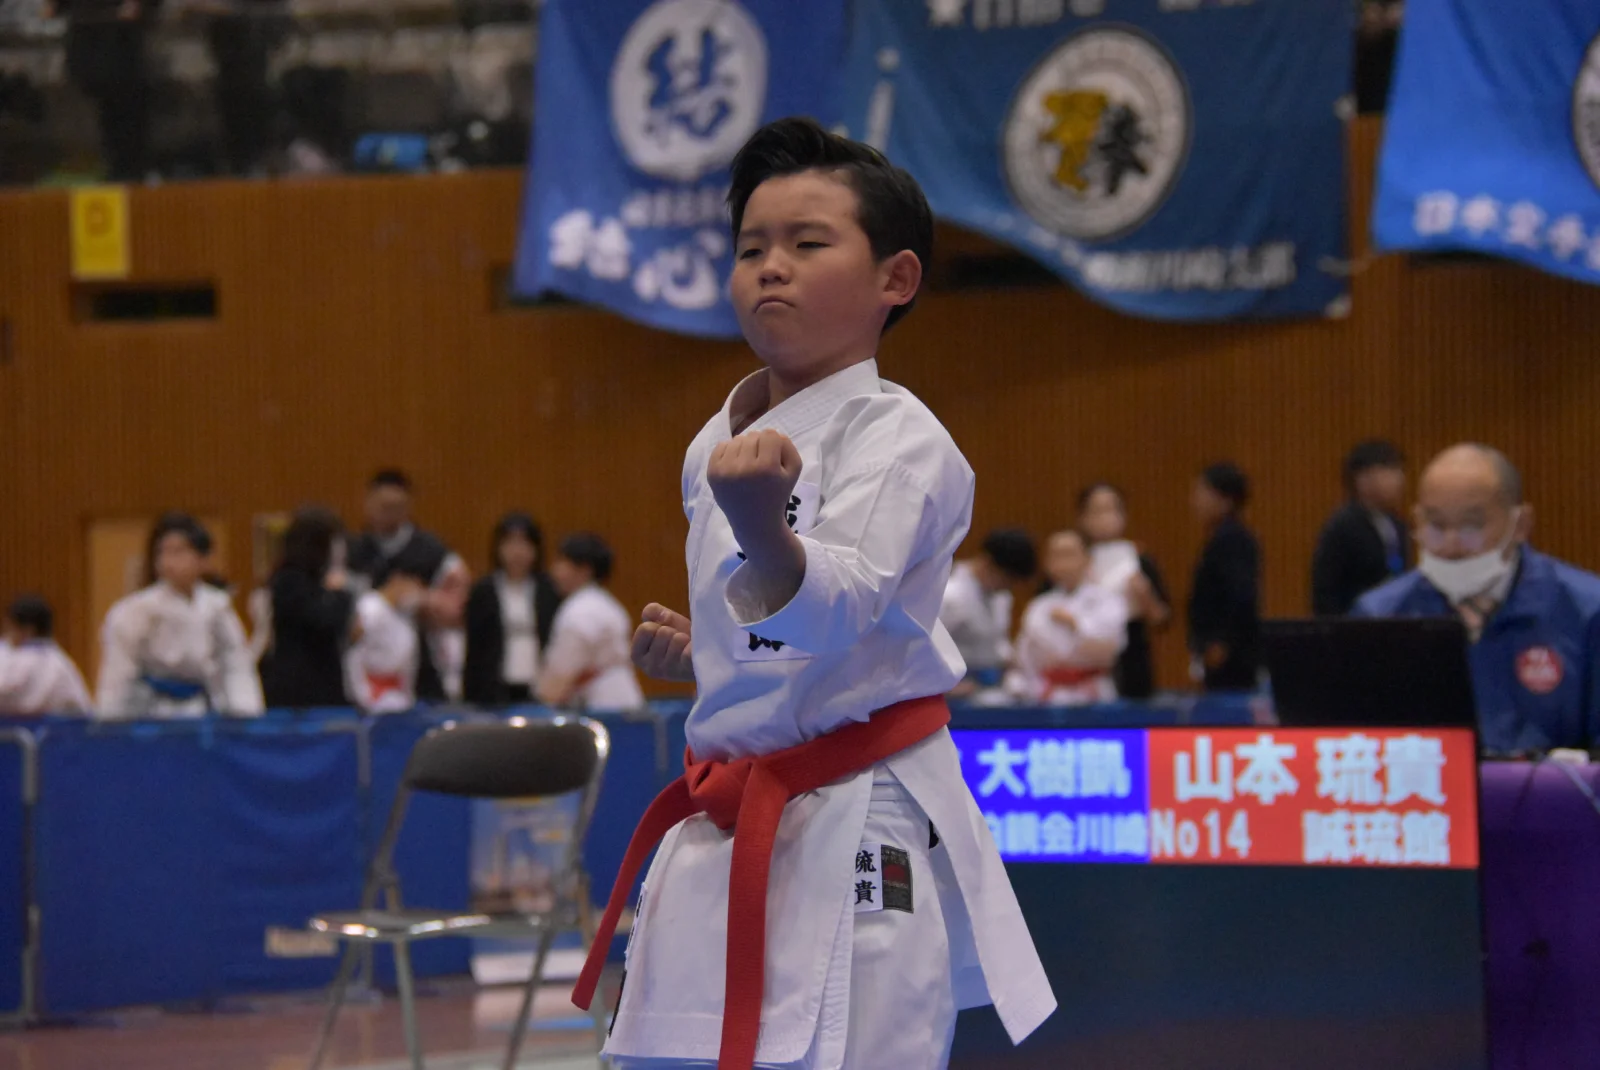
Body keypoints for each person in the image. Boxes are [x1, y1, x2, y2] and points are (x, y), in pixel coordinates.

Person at [573, 117, 1053, 1070]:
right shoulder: (715, 442)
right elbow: (778, 639)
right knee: (672, 1054)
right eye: (751, 248)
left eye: (806, 243)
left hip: (855, 811)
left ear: (895, 279)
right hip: (726, 809)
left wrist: (761, 525)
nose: (771, 268)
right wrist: (709, 652)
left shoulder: (901, 438)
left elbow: (841, 607)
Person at [1355, 444, 1600, 754]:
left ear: (1520, 524)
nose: (1451, 545)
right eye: (1435, 525)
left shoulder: (1587, 611)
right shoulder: (1380, 615)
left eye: (1472, 526)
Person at [96, 513, 264, 718]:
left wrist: (245, 712)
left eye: (179, 551)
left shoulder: (216, 606)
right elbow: (119, 671)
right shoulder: (135, 610)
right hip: (151, 711)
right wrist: (110, 719)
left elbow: (235, 663)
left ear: (202, 559)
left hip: (201, 708)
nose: (169, 561)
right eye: (164, 552)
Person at [346, 469, 470, 702]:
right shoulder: (352, 551)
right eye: (383, 506)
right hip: (366, 670)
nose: (389, 514)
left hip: (422, 670)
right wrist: (386, 598)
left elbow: (458, 609)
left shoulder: (433, 552)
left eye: (396, 507)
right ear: (368, 503)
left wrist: (421, 599)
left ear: (408, 506)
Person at [1008, 530, 1128, 705]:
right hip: (1049, 692)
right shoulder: (1039, 606)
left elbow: (1111, 650)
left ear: (1087, 559)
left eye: (1069, 554)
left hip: (1093, 691)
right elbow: (1024, 655)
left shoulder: (1108, 600)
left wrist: (1075, 624)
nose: (1063, 563)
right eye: (1056, 556)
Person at [1078, 482, 1171, 698]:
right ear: (1082, 517)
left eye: (1111, 509)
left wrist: (1145, 597)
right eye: (1097, 511)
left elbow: (1163, 619)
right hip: (1084, 664)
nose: (1105, 518)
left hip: (1131, 660)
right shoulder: (1074, 561)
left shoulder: (1139, 559)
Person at [259, 506, 355, 709]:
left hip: (323, 682)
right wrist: (340, 594)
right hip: (301, 689)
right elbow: (324, 621)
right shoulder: (290, 580)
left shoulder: (315, 580)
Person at [535, 533, 644, 711]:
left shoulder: (579, 610)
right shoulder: (608, 604)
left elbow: (560, 676)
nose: (554, 571)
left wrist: (543, 699)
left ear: (584, 570)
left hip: (602, 708)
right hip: (625, 700)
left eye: (561, 563)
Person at [463, 512, 562, 706]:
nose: (517, 552)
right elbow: (474, 649)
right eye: (510, 543)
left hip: (539, 688)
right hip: (494, 690)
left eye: (524, 543)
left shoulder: (549, 590)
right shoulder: (484, 591)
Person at [1311, 439, 1409, 616]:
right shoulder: (1342, 527)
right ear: (1363, 479)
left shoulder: (1397, 525)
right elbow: (1326, 592)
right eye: (1391, 471)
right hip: (1355, 623)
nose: (1400, 479)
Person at [1188, 462, 1262, 692]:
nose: (1195, 501)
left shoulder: (1232, 539)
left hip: (1230, 655)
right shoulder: (1219, 537)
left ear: (1225, 499)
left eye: (1202, 492)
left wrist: (1222, 642)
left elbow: (1241, 596)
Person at [939, 527, 1036, 692]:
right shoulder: (950, 595)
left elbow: (997, 640)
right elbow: (925, 648)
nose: (1007, 587)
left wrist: (1009, 658)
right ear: (987, 563)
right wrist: (944, 686)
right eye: (1006, 579)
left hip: (988, 682)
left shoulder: (1001, 597)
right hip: (953, 686)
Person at [345, 550, 433, 715]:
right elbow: (354, 655)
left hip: (399, 698)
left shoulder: (405, 616)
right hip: (372, 697)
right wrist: (364, 696)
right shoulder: (371, 608)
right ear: (397, 579)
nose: (418, 593)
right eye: (415, 585)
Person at [0, 595, 92, 715]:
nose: (6, 634)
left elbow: (6, 691)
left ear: (27, 630)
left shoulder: (25, 658)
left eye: (9, 628)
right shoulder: (61, 660)